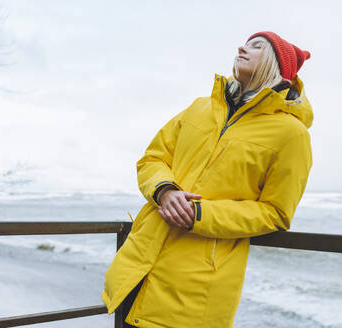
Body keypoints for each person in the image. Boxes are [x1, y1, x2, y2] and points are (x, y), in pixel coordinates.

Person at [102, 31, 313, 328]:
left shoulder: (291, 134)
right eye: (245, 42)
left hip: (193, 292)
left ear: (279, 69)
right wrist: (165, 191)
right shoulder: (199, 107)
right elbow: (153, 158)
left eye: (257, 47)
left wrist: (199, 214)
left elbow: (275, 212)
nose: (242, 47)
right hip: (135, 273)